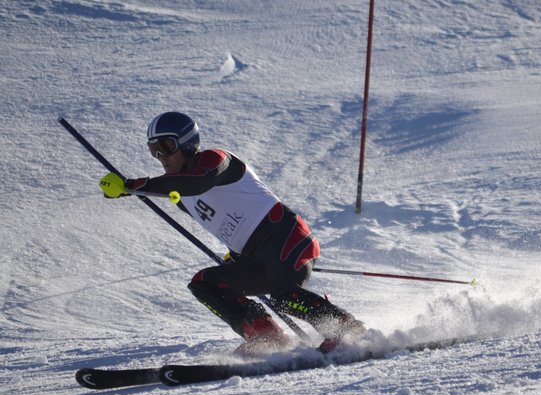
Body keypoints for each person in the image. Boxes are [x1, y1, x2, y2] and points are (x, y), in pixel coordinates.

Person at [99, 111, 365, 354]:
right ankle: (267, 336)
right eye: (154, 151)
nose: (162, 158)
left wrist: (133, 185)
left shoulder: (216, 160)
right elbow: (227, 218)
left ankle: (345, 329)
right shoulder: (182, 196)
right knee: (205, 283)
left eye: (166, 147)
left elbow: (199, 182)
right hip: (254, 256)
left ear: (188, 142)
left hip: (286, 238)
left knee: (284, 296)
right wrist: (236, 254)